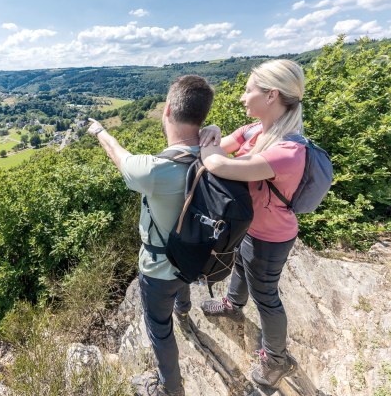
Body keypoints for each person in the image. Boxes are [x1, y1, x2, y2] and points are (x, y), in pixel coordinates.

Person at [87, 75, 215, 396]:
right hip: (195, 255)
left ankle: (171, 388)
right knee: (183, 275)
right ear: (202, 115)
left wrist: (100, 131)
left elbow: (119, 156)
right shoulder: (216, 155)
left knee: (159, 331)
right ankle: (184, 309)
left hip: (158, 268)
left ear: (168, 109)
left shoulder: (154, 170)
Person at [199, 59, 305, 388]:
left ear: (271, 95)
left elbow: (217, 162)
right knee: (241, 268)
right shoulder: (256, 131)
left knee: (267, 296)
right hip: (252, 227)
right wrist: (215, 133)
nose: (243, 98)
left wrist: (211, 138)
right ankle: (232, 304)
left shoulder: (287, 151)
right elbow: (224, 144)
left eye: (248, 90)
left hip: (271, 237)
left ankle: (276, 359)